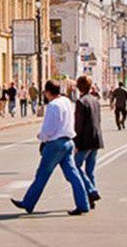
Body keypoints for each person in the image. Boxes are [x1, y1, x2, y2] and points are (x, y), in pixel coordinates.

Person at [11, 79, 90, 216]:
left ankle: (28, 203)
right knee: (73, 175)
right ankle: (83, 203)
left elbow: (49, 128)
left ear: (48, 92)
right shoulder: (67, 102)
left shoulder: (53, 106)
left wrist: (41, 136)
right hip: (68, 141)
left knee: (42, 174)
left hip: (55, 144)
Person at [74, 76, 103, 209]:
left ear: (78, 87)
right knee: (90, 171)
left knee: (75, 167)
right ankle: (91, 200)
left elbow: (79, 125)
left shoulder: (81, 102)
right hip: (96, 138)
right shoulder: (95, 100)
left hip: (85, 140)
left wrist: (76, 144)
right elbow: (98, 120)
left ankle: (91, 190)